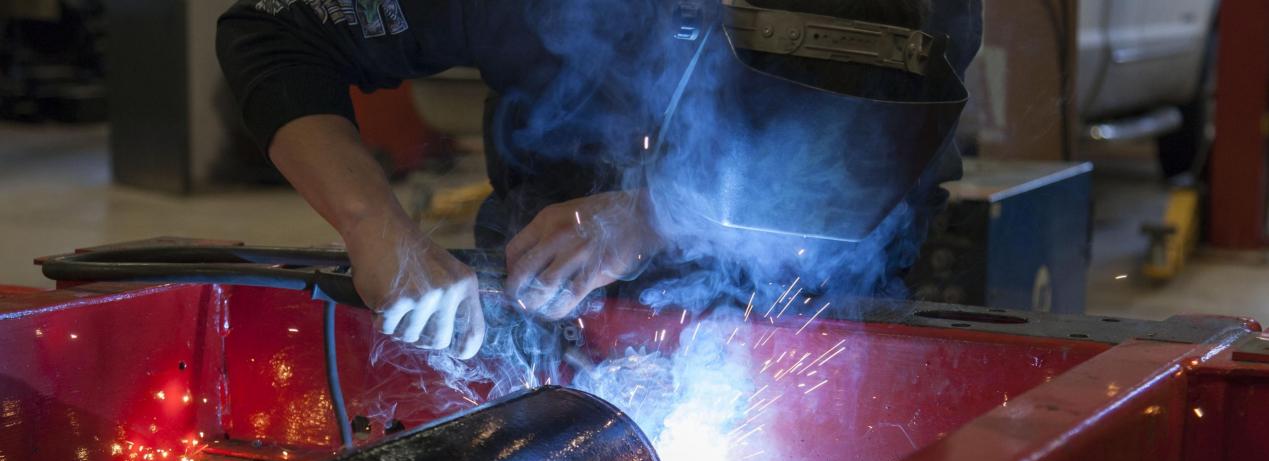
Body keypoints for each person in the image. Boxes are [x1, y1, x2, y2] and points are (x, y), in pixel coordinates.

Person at [217, 0, 982, 360]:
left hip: (805, 300)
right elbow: (275, 33)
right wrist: (377, 228)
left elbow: (873, 148)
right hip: (550, 303)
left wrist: (656, 215)